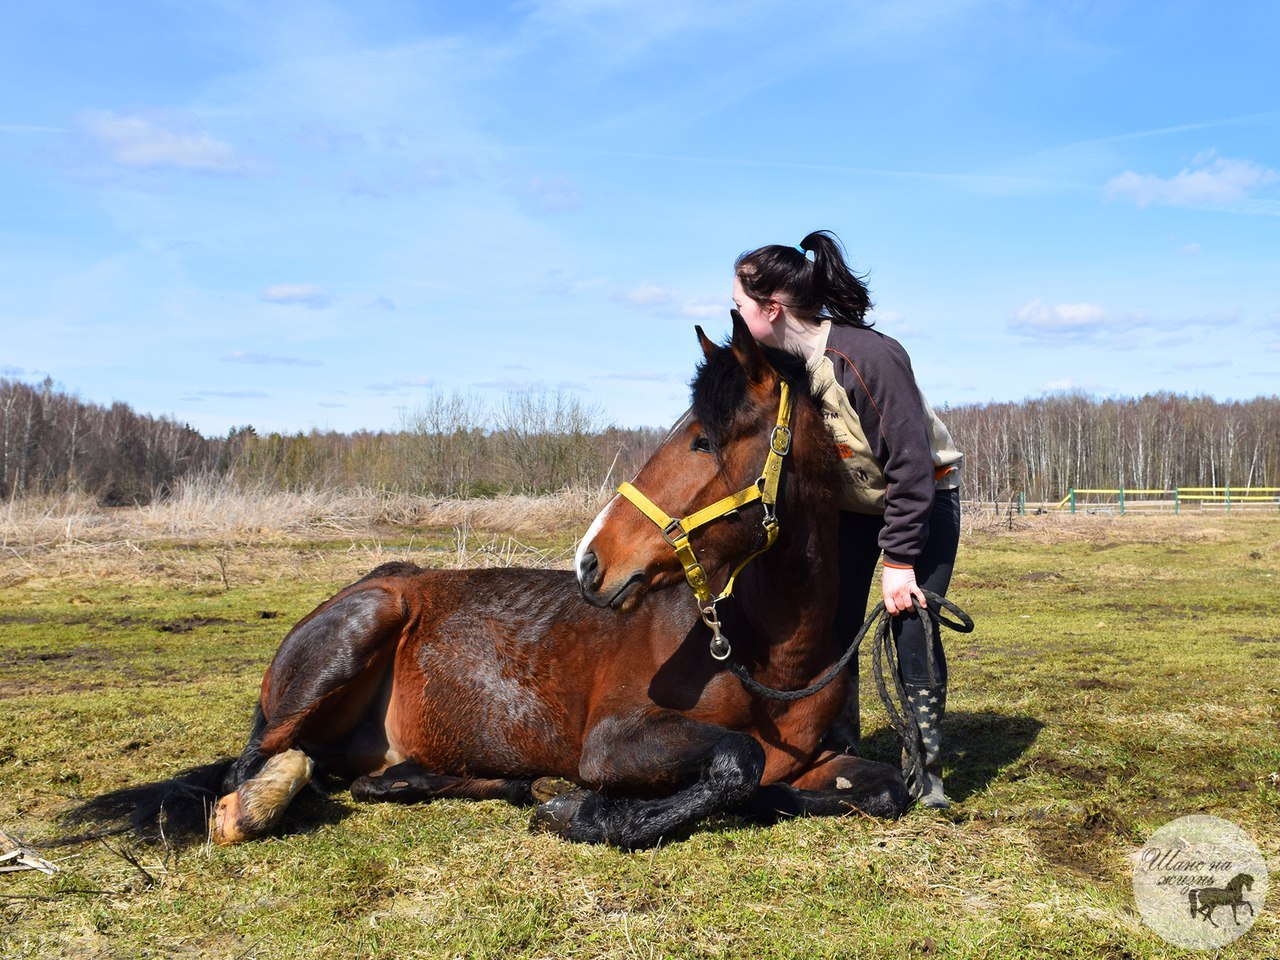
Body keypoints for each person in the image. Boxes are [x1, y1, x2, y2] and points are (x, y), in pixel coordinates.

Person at [732, 229, 963, 808]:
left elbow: (910, 466)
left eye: (738, 303)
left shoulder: (866, 359)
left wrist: (901, 561)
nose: (733, 313)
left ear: (771, 309)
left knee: (909, 620)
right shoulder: (782, 366)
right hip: (850, 511)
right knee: (831, 623)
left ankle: (927, 772)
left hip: (921, 502)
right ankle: (841, 749)